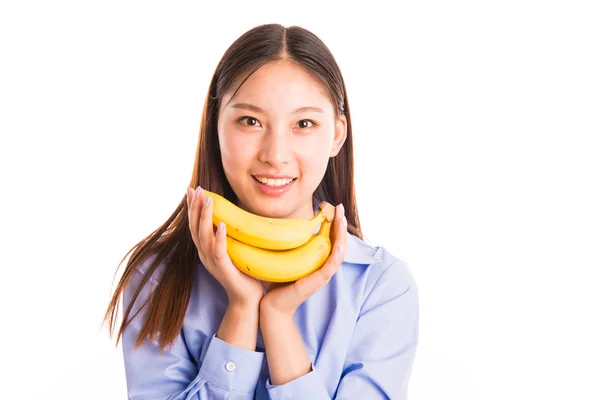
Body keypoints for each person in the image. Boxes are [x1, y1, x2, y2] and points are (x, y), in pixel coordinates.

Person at [103, 23, 419, 399]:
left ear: (336, 135)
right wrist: (241, 308)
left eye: (304, 123)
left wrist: (278, 319)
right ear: (215, 128)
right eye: (250, 121)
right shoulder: (157, 277)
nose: (275, 154)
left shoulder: (380, 286)